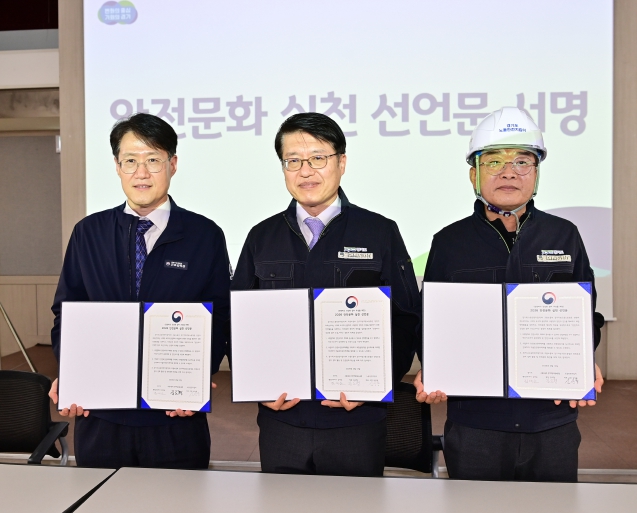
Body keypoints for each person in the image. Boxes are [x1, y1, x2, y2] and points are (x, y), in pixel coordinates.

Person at [414, 106, 605, 482]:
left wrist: (584, 359)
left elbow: (587, 316)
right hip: (476, 424)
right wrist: (432, 366)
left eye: (522, 161)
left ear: (536, 173)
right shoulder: (449, 241)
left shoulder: (564, 235)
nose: (508, 172)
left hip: (550, 421)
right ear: (474, 173)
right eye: (494, 162)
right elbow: (430, 321)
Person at [231, 112, 421, 477]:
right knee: (282, 502)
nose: (306, 171)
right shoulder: (261, 237)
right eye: (293, 161)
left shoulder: (379, 232)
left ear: (341, 162)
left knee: (355, 502)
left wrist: (374, 385)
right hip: (283, 419)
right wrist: (255, 385)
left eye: (318, 158)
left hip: (356, 420)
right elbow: (237, 320)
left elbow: (406, 318)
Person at [49, 113, 231, 469]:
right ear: (117, 167)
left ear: (172, 164)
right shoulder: (89, 232)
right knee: (100, 497)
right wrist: (72, 372)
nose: (141, 172)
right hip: (100, 415)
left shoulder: (205, 234)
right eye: (130, 161)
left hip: (175, 417)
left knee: (179, 496)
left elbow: (219, 317)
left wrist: (195, 378)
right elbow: (67, 312)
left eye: (153, 160)